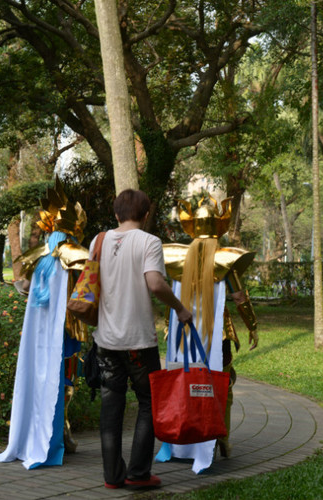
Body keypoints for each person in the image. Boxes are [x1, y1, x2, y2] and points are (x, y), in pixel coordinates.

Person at [92, 189, 192, 490]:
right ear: (146, 214)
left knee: (112, 404)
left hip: (105, 340)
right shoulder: (149, 241)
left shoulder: (98, 240)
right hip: (137, 341)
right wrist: (180, 308)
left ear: (116, 213)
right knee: (150, 402)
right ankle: (138, 473)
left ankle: (112, 476)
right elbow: (155, 283)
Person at [0, 177, 90, 468]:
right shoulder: (74, 252)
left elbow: (23, 286)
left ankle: (54, 430)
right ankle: (59, 432)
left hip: (43, 331)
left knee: (58, 377)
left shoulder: (38, 253)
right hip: (67, 328)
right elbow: (91, 282)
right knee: (67, 377)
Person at [155, 196, 259, 474]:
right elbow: (239, 298)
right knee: (221, 384)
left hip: (181, 332)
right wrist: (252, 326)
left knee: (183, 379)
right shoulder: (224, 259)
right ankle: (219, 436)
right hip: (216, 335)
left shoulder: (179, 258)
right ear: (219, 226)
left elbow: (171, 297)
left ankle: (185, 437)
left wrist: (169, 327)